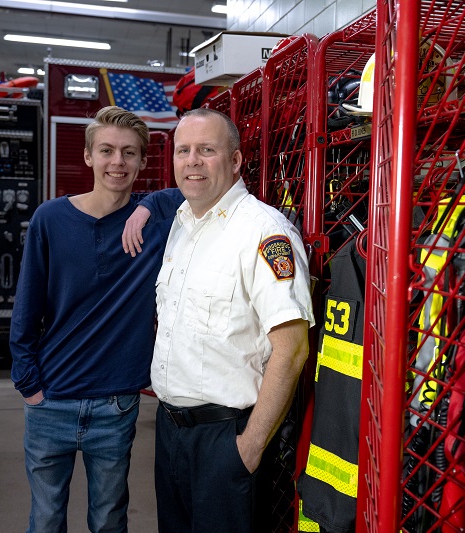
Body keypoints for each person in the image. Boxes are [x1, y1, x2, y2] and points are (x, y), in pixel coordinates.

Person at [137, 107, 315, 532]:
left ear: (235, 161)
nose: (192, 161)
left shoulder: (263, 232)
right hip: (171, 432)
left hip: (226, 437)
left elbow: (292, 350)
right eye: (183, 151)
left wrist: (248, 449)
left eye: (206, 150)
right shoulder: (182, 224)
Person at [9, 105, 183, 533]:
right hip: (51, 399)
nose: (117, 162)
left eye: (129, 153)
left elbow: (214, 186)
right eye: (106, 150)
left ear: (143, 161)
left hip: (116, 403)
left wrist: (148, 206)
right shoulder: (50, 219)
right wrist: (28, 384)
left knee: (108, 519)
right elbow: (27, 307)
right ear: (88, 156)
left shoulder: (157, 226)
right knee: (47, 518)